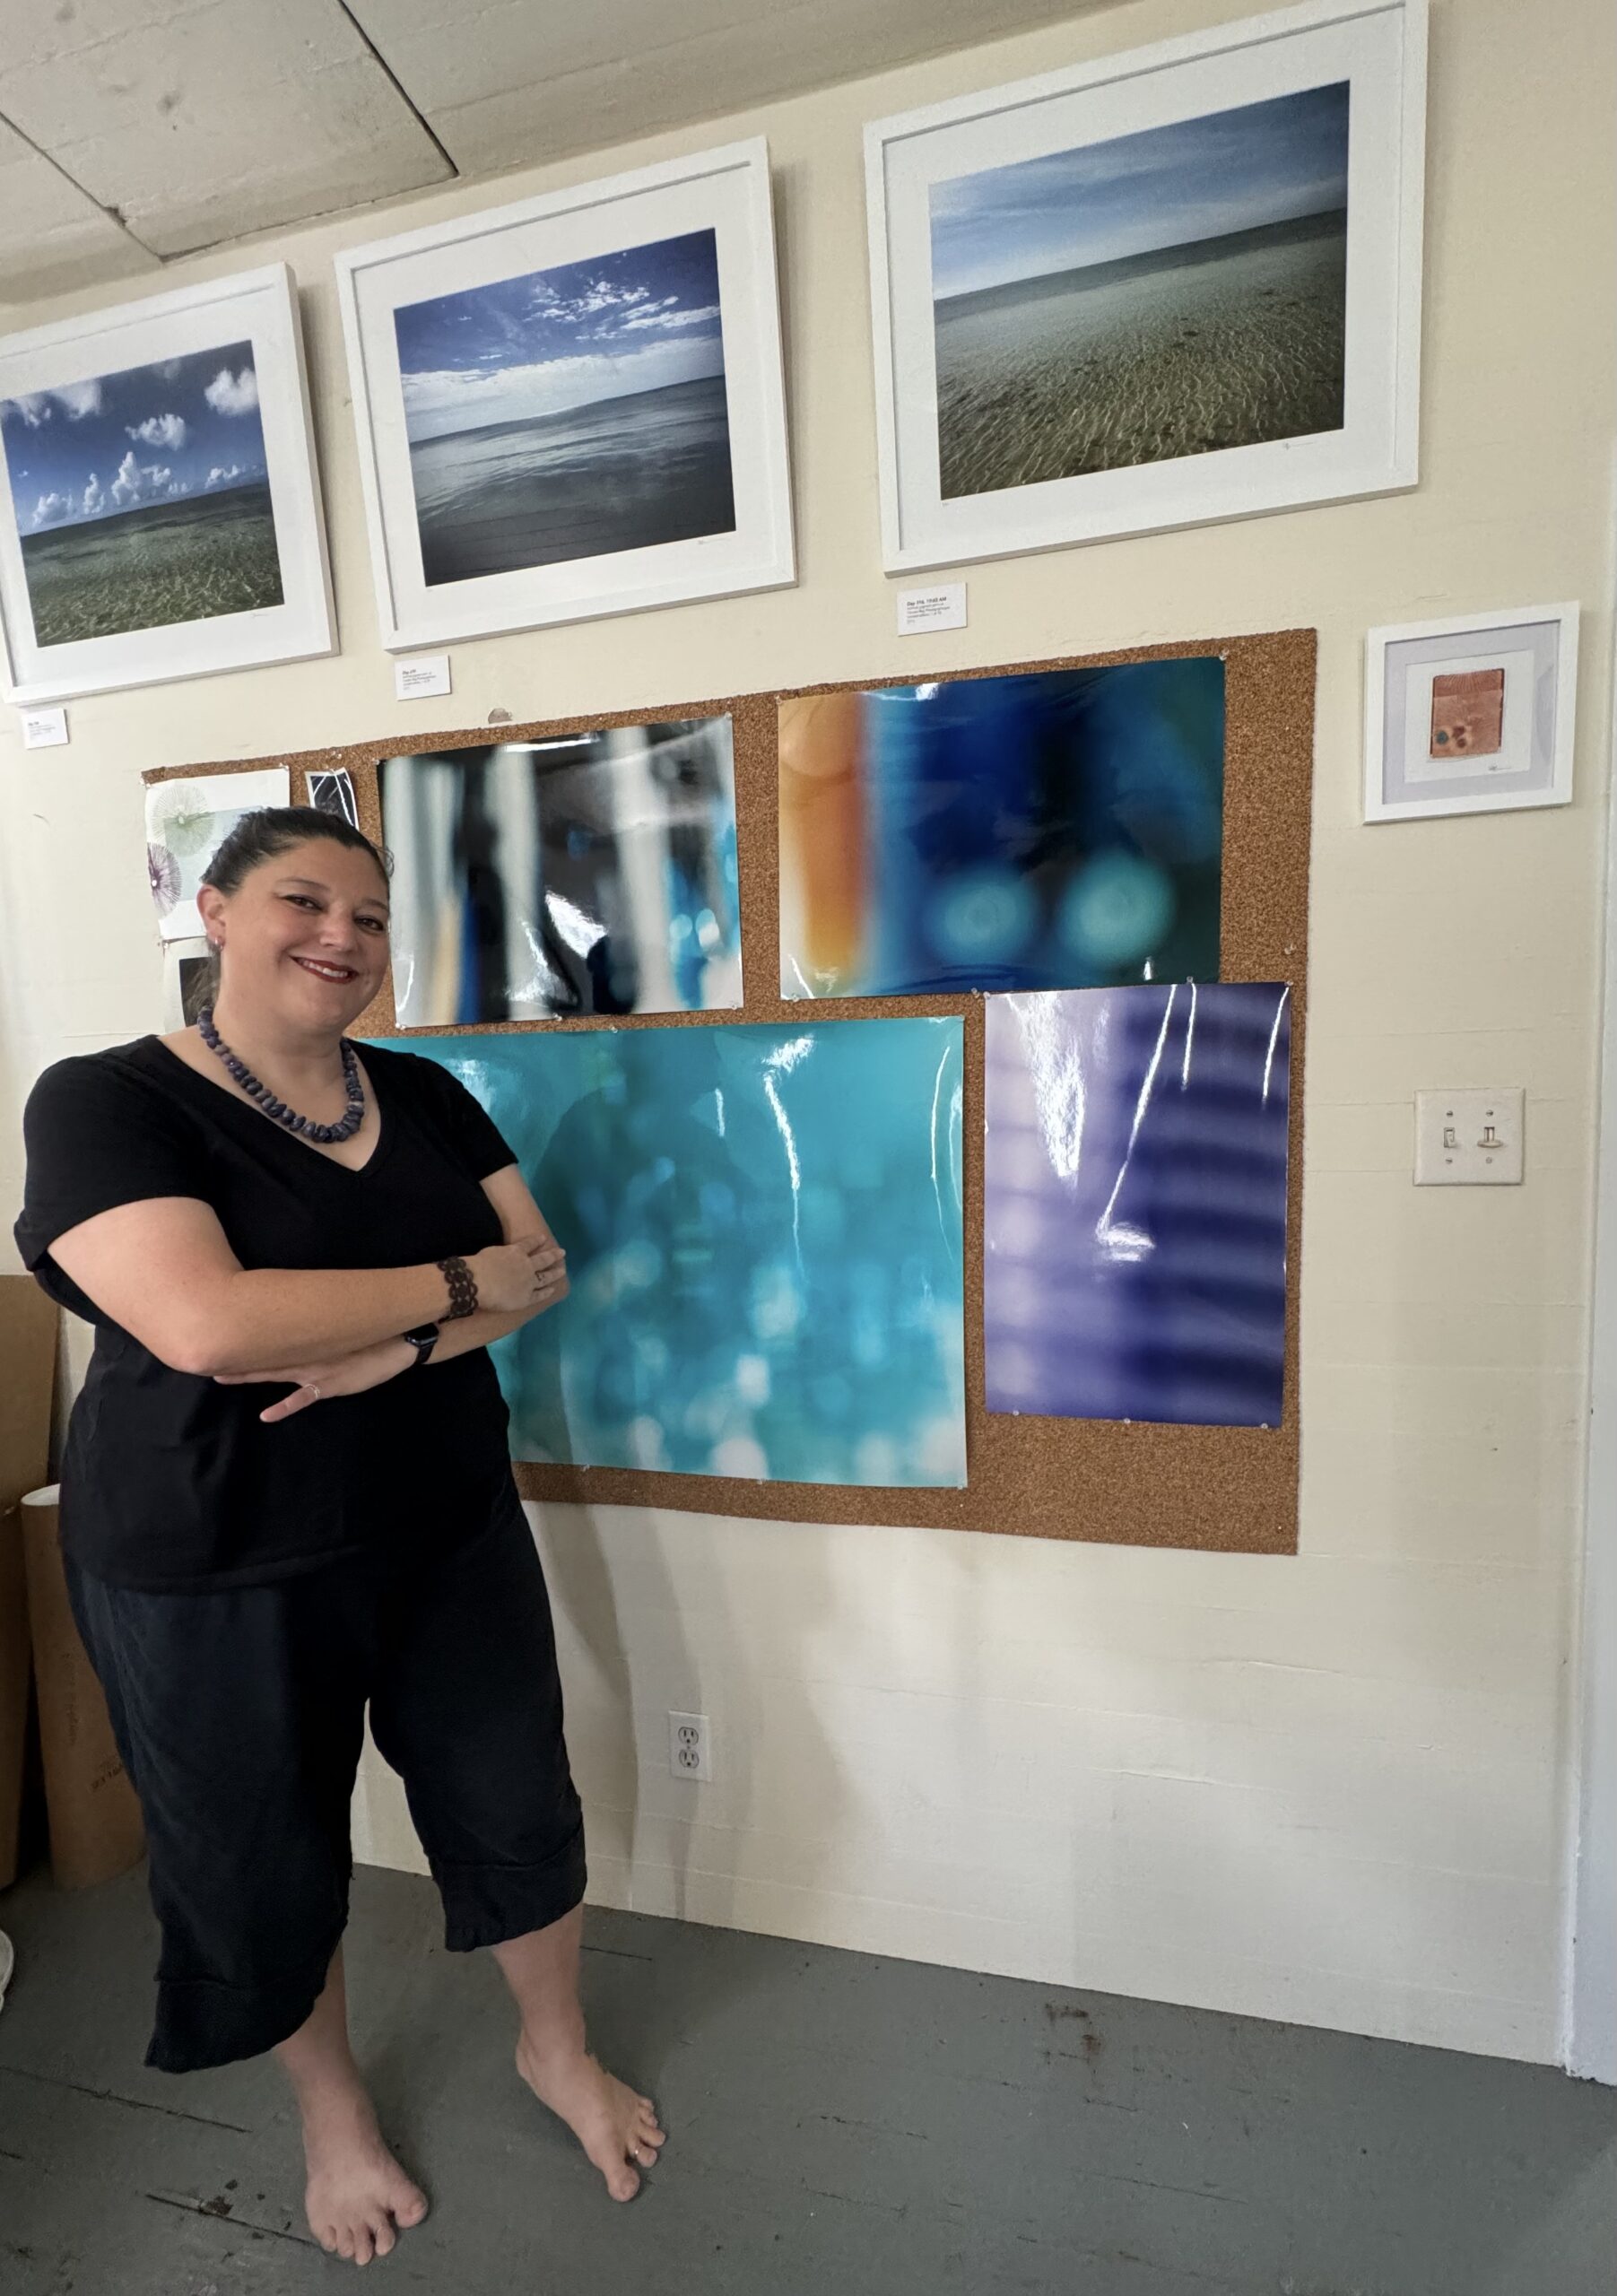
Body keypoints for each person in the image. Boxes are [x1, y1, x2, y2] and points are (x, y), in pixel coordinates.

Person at [13, 805, 666, 2265]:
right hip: (207, 1555)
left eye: (371, 918)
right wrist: (455, 1278)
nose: (344, 939)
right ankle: (331, 2119)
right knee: (262, 1851)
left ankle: (553, 2050)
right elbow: (205, 1321)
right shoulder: (106, 1099)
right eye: (305, 902)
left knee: (514, 1802)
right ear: (218, 913)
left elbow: (540, 1272)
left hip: (444, 1520)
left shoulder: (425, 1095)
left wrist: (393, 1348)